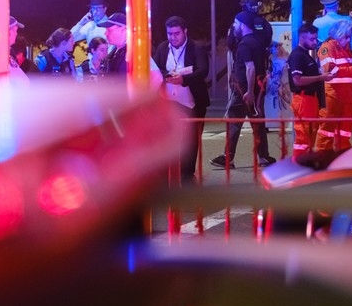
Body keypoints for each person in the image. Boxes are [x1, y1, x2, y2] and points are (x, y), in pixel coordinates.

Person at [211, 10, 275, 169]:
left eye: (236, 23)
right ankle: (264, 157)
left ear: (243, 25)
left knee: (234, 122)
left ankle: (228, 157)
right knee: (258, 122)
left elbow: (250, 68)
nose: (234, 26)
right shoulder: (257, 42)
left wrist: (249, 92)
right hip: (255, 90)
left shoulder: (245, 44)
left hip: (244, 92)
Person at [154, 15, 211, 184]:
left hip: (192, 101)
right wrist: (167, 76)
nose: (173, 37)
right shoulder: (163, 48)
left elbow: (203, 71)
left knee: (191, 139)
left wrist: (184, 79)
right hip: (167, 101)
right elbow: (156, 70)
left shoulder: (196, 48)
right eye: (170, 33)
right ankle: (167, 172)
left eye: (176, 33)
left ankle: (187, 174)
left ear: (185, 32)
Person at [315, 18, 352, 152]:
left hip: (346, 96)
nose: (348, 40)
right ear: (339, 33)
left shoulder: (346, 50)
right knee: (327, 131)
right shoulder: (328, 47)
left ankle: (342, 158)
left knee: (345, 131)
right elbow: (330, 70)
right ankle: (322, 159)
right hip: (332, 95)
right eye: (347, 37)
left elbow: (348, 73)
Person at [286, 23, 329, 160]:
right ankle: (299, 165)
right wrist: (320, 77)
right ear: (302, 38)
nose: (315, 42)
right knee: (303, 135)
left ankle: (306, 162)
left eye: (316, 39)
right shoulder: (298, 55)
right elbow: (297, 80)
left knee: (310, 134)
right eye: (312, 39)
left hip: (310, 99)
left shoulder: (305, 55)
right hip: (304, 99)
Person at [99, 12, 163, 89]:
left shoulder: (135, 51)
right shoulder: (114, 50)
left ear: (123, 29)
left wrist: (142, 100)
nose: (105, 33)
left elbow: (157, 78)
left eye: (109, 30)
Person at [7, 15, 29, 85]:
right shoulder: (4, 55)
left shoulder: (8, 51)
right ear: (10, 33)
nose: (16, 34)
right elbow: (23, 82)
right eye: (15, 31)